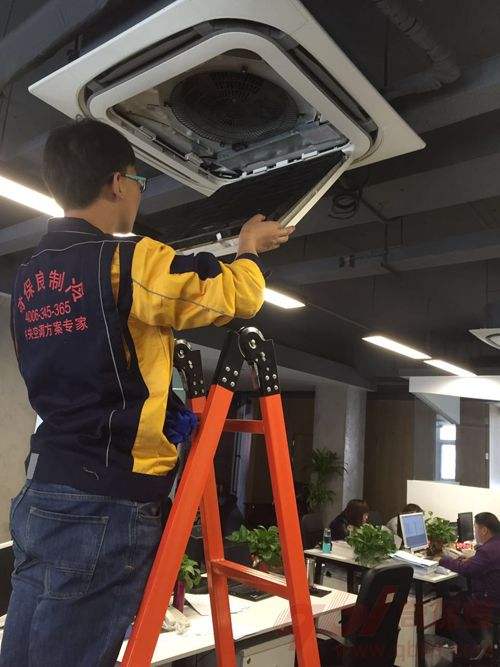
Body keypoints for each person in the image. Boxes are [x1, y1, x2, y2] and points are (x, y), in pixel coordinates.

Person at [0, 119, 294, 667]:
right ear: (119, 183)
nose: (139, 192)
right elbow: (232, 298)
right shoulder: (127, 259)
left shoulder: (30, 277)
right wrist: (249, 250)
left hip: (42, 490)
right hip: (107, 496)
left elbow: (93, 357)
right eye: (140, 181)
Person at [439, 512, 500, 662]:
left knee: (448, 606)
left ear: (484, 530)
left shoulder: (486, 551)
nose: (475, 532)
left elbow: (466, 570)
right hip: (494, 598)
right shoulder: (493, 546)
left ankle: (472, 649)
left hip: (487, 603)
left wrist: (443, 560)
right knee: (458, 595)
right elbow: (482, 564)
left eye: (475, 528)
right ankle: (482, 640)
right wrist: (473, 559)